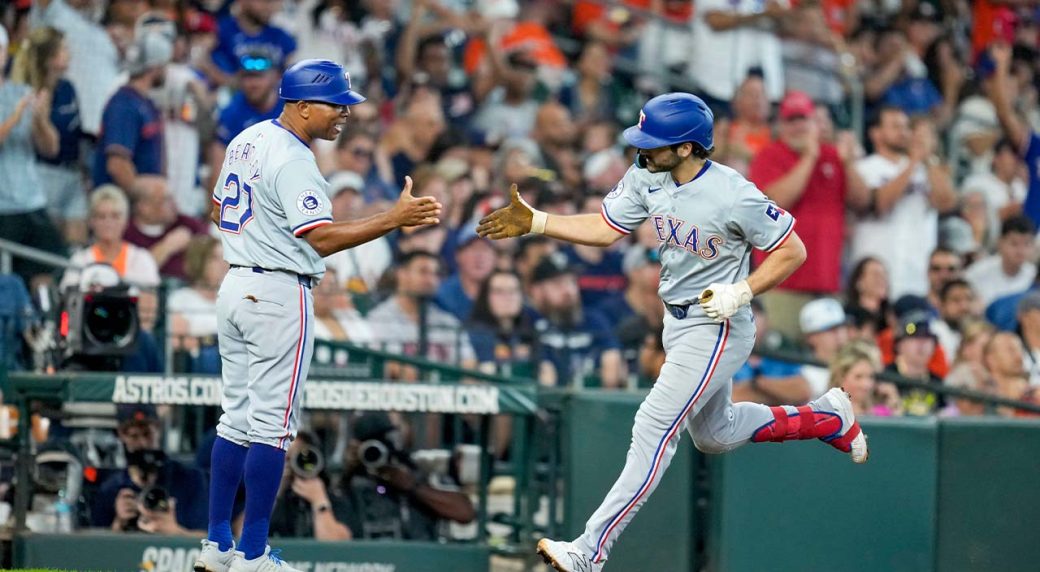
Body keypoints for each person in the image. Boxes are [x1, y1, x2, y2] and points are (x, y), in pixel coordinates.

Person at [477, 92, 866, 572]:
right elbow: (605, 228)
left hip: (718, 322)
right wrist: (539, 221)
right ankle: (827, 418)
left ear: (686, 148)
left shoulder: (733, 193)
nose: (642, 149)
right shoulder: (647, 174)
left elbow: (793, 251)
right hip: (676, 319)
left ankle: (589, 550)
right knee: (715, 434)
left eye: (654, 142)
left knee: (653, 425)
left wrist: (742, 291)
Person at [195, 59, 441, 572]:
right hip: (280, 292)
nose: (344, 115)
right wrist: (394, 219)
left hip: (236, 283)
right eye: (336, 105)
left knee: (235, 419)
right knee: (272, 427)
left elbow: (218, 210)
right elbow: (323, 238)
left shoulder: (246, 139)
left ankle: (218, 544)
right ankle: (253, 554)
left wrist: (259, 235)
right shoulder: (294, 157)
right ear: (302, 106)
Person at [749, 90, 870, 339]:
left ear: (815, 122)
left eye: (803, 119)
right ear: (780, 125)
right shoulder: (769, 156)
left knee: (827, 365)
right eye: (790, 120)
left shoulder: (833, 156)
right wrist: (809, 156)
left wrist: (848, 163)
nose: (798, 126)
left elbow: (862, 201)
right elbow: (777, 202)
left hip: (827, 284)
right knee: (780, 355)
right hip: (781, 285)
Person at [850, 107, 957, 299]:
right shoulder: (864, 168)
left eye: (906, 127)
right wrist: (913, 162)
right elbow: (881, 205)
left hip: (916, 272)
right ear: (875, 133)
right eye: (895, 126)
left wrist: (928, 159)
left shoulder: (925, 170)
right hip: (874, 271)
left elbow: (947, 203)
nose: (903, 132)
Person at [338, 412, 476, 540]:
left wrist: (412, 486)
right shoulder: (353, 481)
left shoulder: (421, 469)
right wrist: (348, 472)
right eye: (369, 448)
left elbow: (465, 513)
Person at [0, 25, 64, 291]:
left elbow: (50, 148)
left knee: (50, 268)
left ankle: (43, 325)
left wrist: (39, 119)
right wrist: (15, 117)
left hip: (30, 200)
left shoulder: (21, 91)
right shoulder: (18, 102)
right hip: (2, 207)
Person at [11, 26, 85, 246]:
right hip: (42, 173)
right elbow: (45, 146)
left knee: (76, 242)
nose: (69, 54)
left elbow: (75, 131)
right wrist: (40, 120)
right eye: (64, 49)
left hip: (72, 172)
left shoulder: (67, 88)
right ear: (49, 57)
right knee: (50, 244)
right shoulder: (24, 92)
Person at [92, 405, 207, 536]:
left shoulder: (189, 479)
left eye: (148, 434)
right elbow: (95, 546)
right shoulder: (111, 489)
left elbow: (207, 539)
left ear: (158, 430)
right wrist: (119, 523)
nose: (142, 443)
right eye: (134, 436)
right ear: (122, 436)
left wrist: (174, 531)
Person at [365, 250, 477, 369]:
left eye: (435, 274)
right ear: (402, 274)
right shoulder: (379, 318)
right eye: (423, 272)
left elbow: (469, 363)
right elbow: (389, 367)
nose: (431, 280)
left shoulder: (447, 321)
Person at [527, 254, 625, 389]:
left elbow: (612, 359)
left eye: (571, 282)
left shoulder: (594, 320)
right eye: (558, 284)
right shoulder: (530, 323)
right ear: (537, 291)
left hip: (593, 400)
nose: (568, 291)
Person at [92, 31, 172, 190]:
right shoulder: (124, 105)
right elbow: (117, 165)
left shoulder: (145, 102)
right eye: (165, 65)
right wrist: (144, 201)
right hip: (125, 205)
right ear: (155, 67)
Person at [60, 185, 160, 291]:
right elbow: (68, 297)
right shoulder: (81, 259)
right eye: (101, 216)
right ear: (91, 221)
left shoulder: (141, 259)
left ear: (125, 221)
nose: (108, 223)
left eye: (115, 216)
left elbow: (151, 300)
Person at [268, 431, 352, 540]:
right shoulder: (275, 502)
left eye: (297, 457)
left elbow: (336, 548)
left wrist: (319, 501)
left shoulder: (336, 501)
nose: (293, 464)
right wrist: (275, 492)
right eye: (287, 459)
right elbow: (247, 538)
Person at [124, 176, 208, 281]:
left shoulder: (188, 224)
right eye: (166, 199)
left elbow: (210, 258)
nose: (174, 204)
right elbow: (132, 274)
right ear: (144, 207)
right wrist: (167, 246)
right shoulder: (126, 233)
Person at [964, 215, 1036, 308]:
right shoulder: (977, 272)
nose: (1020, 251)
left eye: (1027, 244)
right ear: (1000, 243)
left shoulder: (1034, 276)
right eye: (1014, 244)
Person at [829, 341, 900, 417]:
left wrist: (895, 406)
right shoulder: (826, 413)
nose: (866, 384)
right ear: (841, 377)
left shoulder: (882, 414)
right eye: (858, 377)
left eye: (870, 377)